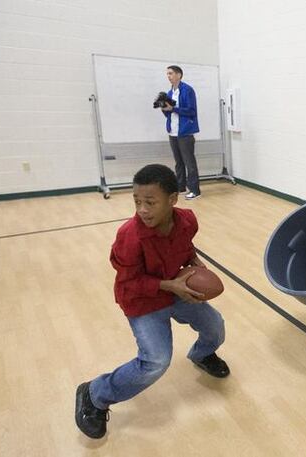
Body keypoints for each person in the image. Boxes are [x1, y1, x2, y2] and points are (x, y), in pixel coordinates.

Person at [75, 164, 229, 439]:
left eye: (150, 202)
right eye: (137, 201)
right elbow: (128, 282)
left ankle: (202, 354)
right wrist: (168, 285)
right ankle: (95, 394)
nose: (142, 209)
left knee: (215, 326)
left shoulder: (188, 221)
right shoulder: (129, 237)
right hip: (142, 300)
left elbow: (185, 246)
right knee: (156, 361)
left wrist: (193, 262)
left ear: (172, 200)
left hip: (176, 289)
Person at [162, 65, 201, 200]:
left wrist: (173, 108)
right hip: (172, 131)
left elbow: (191, 111)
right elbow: (169, 113)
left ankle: (195, 190)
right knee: (178, 162)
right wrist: (164, 108)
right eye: (167, 74)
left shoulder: (187, 90)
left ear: (179, 75)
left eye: (171, 73)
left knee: (189, 162)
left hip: (184, 132)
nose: (168, 76)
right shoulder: (169, 92)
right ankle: (181, 186)